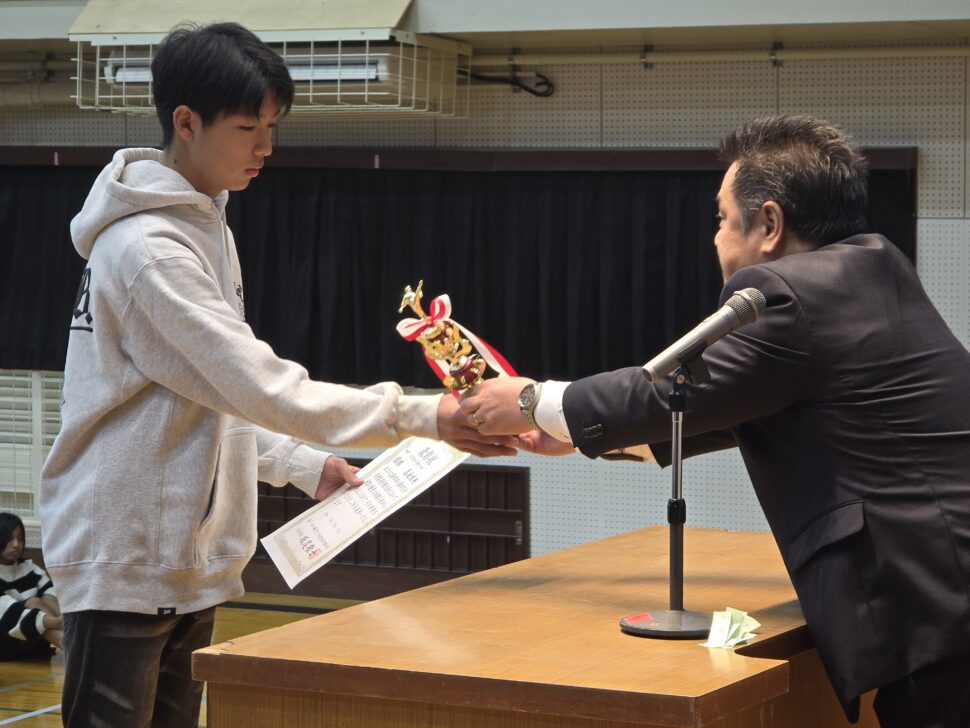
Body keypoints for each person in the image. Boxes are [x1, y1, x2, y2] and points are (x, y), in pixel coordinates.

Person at [39, 21, 514, 728]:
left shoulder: (206, 226)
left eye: (271, 127)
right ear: (186, 122)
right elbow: (260, 384)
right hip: (127, 557)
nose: (265, 147)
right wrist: (424, 416)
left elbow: (211, 395)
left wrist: (300, 464)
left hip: (183, 561)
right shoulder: (149, 251)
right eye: (247, 128)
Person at [459, 114, 970, 728]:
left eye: (724, 219)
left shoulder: (785, 295)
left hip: (938, 611)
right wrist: (577, 438)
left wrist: (530, 399)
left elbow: (665, 391)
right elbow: (737, 409)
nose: (716, 239)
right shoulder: (875, 268)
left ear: (770, 224)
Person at [0, 512, 62, 660]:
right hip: (6, 641)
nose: (16, 545)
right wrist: (55, 621)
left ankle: (75, 639)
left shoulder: (30, 568)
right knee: (33, 603)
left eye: (20, 539)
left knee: (48, 598)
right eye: (9, 539)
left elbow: (51, 593)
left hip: (34, 641)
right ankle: (78, 649)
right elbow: (8, 614)